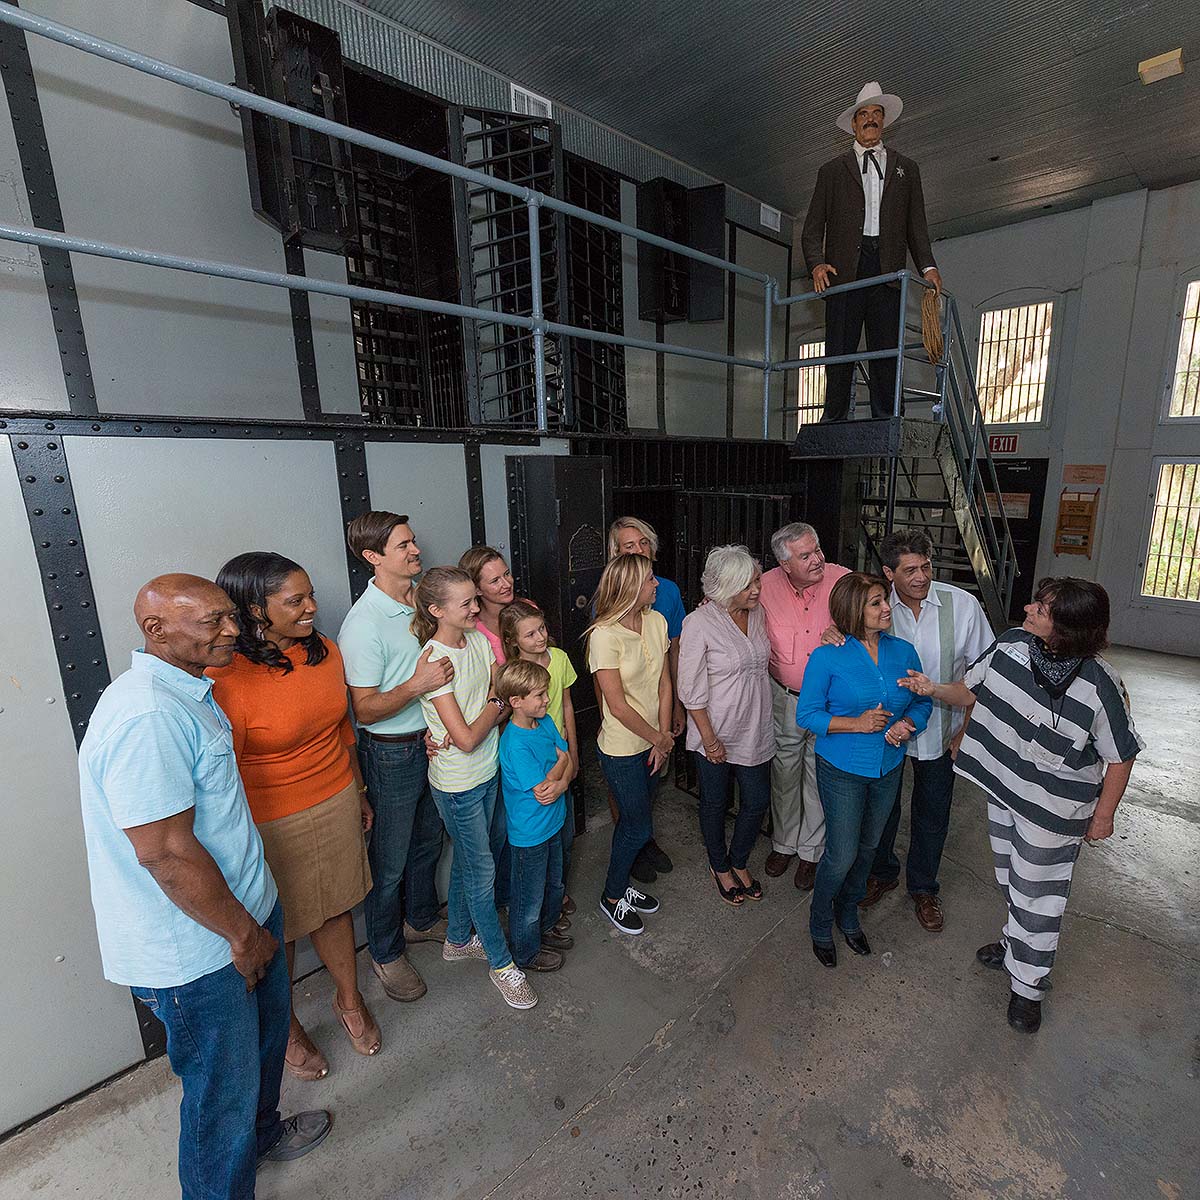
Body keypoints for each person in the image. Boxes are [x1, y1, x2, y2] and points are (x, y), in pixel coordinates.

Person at [78, 574, 329, 1200]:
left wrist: (256, 921)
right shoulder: (148, 716)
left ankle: (264, 1133)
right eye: (212, 622)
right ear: (156, 631)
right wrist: (244, 936)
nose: (231, 631)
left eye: (230, 617)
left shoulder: (188, 689)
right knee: (221, 1097)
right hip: (203, 951)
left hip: (243, 923)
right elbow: (164, 852)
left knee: (264, 1053)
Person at [898, 577, 1143, 1033]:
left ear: (1067, 628)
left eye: (1043, 609)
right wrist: (931, 689)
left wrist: (1104, 815)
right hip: (1005, 787)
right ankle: (1014, 944)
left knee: (1039, 897)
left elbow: (1121, 753)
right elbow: (971, 691)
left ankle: (1028, 988)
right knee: (1013, 878)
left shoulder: (1099, 684)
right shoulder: (1012, 646)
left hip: (1052, 809)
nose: (1029, 608)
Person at [210, 552, 379, 1080]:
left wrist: (358, 792)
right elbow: (222, 775)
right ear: (255, 610)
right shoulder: (225, 677)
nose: (312, 607)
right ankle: (285, 1029)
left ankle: (348, 1002)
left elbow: (341, 731)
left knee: (336, 906)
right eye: (295, 601)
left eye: (310, 597)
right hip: (268, 821)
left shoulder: (324, 652)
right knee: (277, 927)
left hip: (335, 797)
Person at [412, 566, 539, 1008]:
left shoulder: (482, 641)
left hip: (487, 770)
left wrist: (490, 709)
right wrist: (494, 706)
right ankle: (503, 966)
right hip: (458, 784)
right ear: (436, 610)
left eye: (473, 599)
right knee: (481, 870)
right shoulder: (432, 662)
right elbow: (467, 735)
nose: (474, 608)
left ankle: (457, 938)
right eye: (465, 602)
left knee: (475, 856)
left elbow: (496, 704)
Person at [338, 512, 451, 1006]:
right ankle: (385, 952)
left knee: (429, 839)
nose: (415, 551)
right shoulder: (363, 624)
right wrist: (415, 687)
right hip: (392, 754)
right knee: (388, 862)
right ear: (372, 557)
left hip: (431, 741)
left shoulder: (419, 601)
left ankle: (419, 920)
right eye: (404, 545)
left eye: (413, 542)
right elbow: (363, 709)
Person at [859, 530, 993, 931]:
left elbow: (983, 675)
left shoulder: (963, 605)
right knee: (882, 810)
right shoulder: (876, 608)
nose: (921, 576)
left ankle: (923, 887)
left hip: (942, 733)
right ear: (888, 572)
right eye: (910, 569)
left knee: (932, 814)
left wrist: (965, 731)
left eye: (926, 566)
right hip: (888, 732)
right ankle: (882, 873)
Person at [796, 572, 931, 968]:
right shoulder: (827, 656)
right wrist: (856, 723)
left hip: (888, 767)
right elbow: (807, 715)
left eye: (883, 600)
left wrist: (909, 725)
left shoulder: (904, 652)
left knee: (870, 846)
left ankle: (849, 912)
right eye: (876, 602)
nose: (887, 607)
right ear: (854, 610)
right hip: (841, 768)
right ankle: (821, 921)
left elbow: (921, 702)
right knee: (841, 853)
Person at [800, 81, 943, 421]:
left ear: (884, 121)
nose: (870, 120)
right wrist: (818, 264)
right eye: (863, 114)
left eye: (876, 114)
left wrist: (928, 268)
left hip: (888, 270)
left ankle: (887, 417)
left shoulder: (907, 169)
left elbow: (916, 227)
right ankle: (833, 417)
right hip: (844, 271)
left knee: (885, 351)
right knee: (839, 350)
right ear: (853, 124)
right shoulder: (831, 171)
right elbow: (810, 230)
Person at [677, 545, 774, 906]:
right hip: (714, 729)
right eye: (746, 584)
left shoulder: (758, 612)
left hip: (755, 724)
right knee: (715, 802)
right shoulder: (698, 623)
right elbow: (690, 688)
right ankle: (719, 865)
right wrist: (709, 739)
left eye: (756, 581)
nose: (755, 590)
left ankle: (740, 859)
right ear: (724, 586)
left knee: (756, 800)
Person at [758, 521, 850, 890]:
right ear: (785, 564)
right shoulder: (763, 586)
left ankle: (811, 851)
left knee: (817, 774)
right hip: (786, 698)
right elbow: (727, 609)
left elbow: (877, 616)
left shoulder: (842, 580)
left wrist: (850, 632)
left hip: (831, 701)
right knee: (784, 771)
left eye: (818, 550)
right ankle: (784, 843)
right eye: (806, 555)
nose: (818, 559)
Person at [587, 552, 672, 935]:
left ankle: (623, 886)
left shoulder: (657, 621)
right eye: (651, 580)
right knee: (637, 826)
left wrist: (664, 737)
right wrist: (658, 737)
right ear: (631, 588)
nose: (657, 584)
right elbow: (617, 706)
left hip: (656, 741)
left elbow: (665, 684)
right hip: (622, 748)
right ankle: (611, 896)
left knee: (639, 820)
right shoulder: (603, 635)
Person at [606, 516, 686, 881]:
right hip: (627, 733)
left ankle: (641, 839)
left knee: (646, 798)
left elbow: (667, 668)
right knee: (629, 802)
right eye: (628, 546)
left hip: (657, 726)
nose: (639, 550)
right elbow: (613, 697)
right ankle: (631, 844)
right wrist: (659, 736)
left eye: (643, 543)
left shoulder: (658, 611)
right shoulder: (606, 626)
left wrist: (665, 729)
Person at [500, 599, 579, 928]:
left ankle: (554, 898)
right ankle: (540, 910)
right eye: (529, 633)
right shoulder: (513, 672)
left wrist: (573, 752)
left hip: (559, 748)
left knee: (563, 831)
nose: (539, 637)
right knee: (537, 834)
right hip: (540, 758)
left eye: (542, 629)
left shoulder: (558, 658)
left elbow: (567, 705)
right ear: (514, 640)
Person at [496, 659, 574, 972]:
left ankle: (546, 929)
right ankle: (526, 953)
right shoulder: (514, 744)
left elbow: (564, 759)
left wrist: (563, 778)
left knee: (554, 883)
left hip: (553, 821)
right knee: (527, 899)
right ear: (516, 702)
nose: (547, 700)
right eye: (540, 695)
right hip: (530, 834)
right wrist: (560, 767)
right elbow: (543, 789)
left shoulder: (544, 723)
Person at [458, 545, 521, 907]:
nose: (505, 583)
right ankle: (505, 902)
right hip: (495, 736)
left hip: (531, 727)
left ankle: (534, 894)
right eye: (494, 579)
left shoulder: (524, 611)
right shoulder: (473, 631)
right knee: (500, 828)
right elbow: (478, 694)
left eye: (507, 574)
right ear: (476, 589)